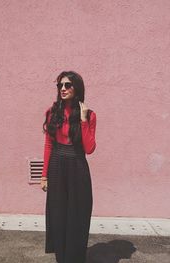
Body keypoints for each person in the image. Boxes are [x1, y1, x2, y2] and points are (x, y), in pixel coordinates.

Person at [41, 71, 97, 263]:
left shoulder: (89, 115)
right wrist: (44, 175)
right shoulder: (52, 112)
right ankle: (61, 258)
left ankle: (75, 257)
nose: (63, 89)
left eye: (67, 85)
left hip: (78, 166)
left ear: (77, 88)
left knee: (78, 213)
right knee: (58, 213)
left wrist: (82, 121)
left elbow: (89, 149)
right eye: (60, 86)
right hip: (57, 165)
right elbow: (48, 145)